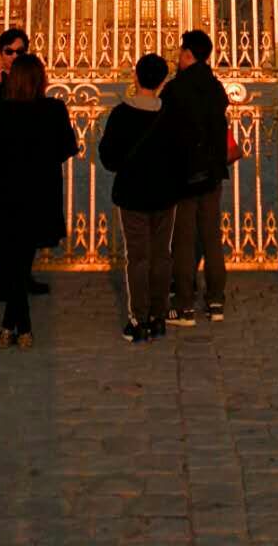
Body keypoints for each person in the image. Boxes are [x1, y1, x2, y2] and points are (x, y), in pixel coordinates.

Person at [0, 53, 78, 348]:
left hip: (6, 193)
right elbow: (66, 148)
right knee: (21, 260)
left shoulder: (0, 112)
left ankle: (15, 325)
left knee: (13, 260)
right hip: (39, 193)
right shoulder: (53, 110)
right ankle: (19, 325)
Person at [98, 53, 182, 344]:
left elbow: (108, 157)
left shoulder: (122, 114)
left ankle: (139, 318)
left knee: (138, 257)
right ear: (162, 81)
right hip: (164, 194)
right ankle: (159, 315)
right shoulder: (171, 115)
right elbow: (180, 155)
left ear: (136, 76)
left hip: (133, 193)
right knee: (161, 254)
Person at [0, 27, 49, 297]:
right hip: (0, 165)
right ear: (0, 52)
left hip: (27, 165)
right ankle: (4, 276)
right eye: (9, 51)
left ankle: (23, 275)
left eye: (20, 52)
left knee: (27, 224)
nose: (14, 56)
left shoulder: (30, 80)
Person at [161, 29, 229, 327]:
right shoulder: (215, 87)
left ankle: (184, 304)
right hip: (212, 172)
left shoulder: (175, 89)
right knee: (212, 236)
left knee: (184, 239)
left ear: (188, 54)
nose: (178, 56)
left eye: (181, 52)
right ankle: (216, 300)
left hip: (185, 172)